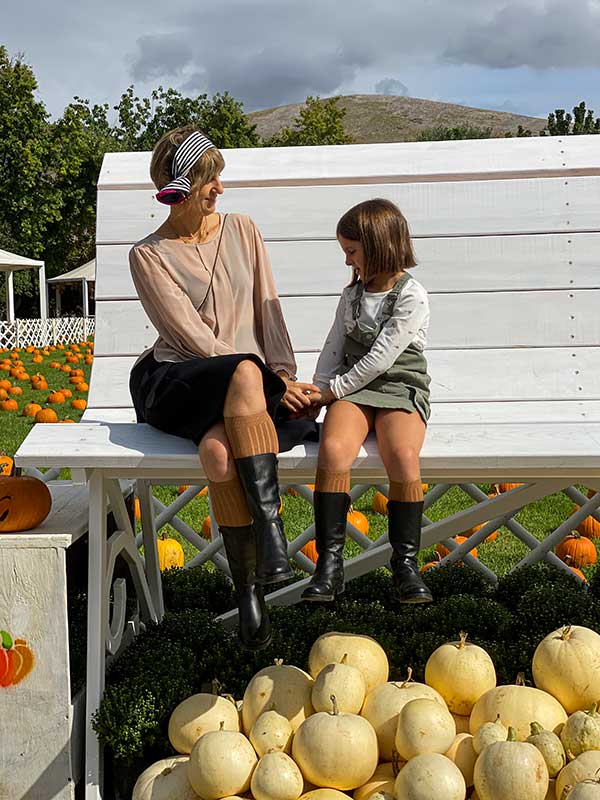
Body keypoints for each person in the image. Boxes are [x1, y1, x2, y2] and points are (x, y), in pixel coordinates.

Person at [128, 126, 319, 650]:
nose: (219, 191)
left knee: (217, 453)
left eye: (219, 179)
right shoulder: (148, 255)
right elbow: (189, 337)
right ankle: (273, 535)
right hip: (179, 378)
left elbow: (267, 304)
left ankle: (249, 593)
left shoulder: (242, 229)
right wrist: (263, 382)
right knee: (239, 371)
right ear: (182, 185)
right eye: (210, 179)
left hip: (246, 388)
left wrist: (281, 372)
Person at [301, 198, 433, 604]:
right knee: (335, 448)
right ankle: (330, 565)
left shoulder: (412, 296)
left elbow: (382, 358)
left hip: (398, 386)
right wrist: (318, 391)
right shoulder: (352, 295)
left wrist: (333, 390)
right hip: (355, 388)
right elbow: (334, 346)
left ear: (378, 246)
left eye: (351, 252)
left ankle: (406, 564)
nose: (348, 262)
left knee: (402, 455)